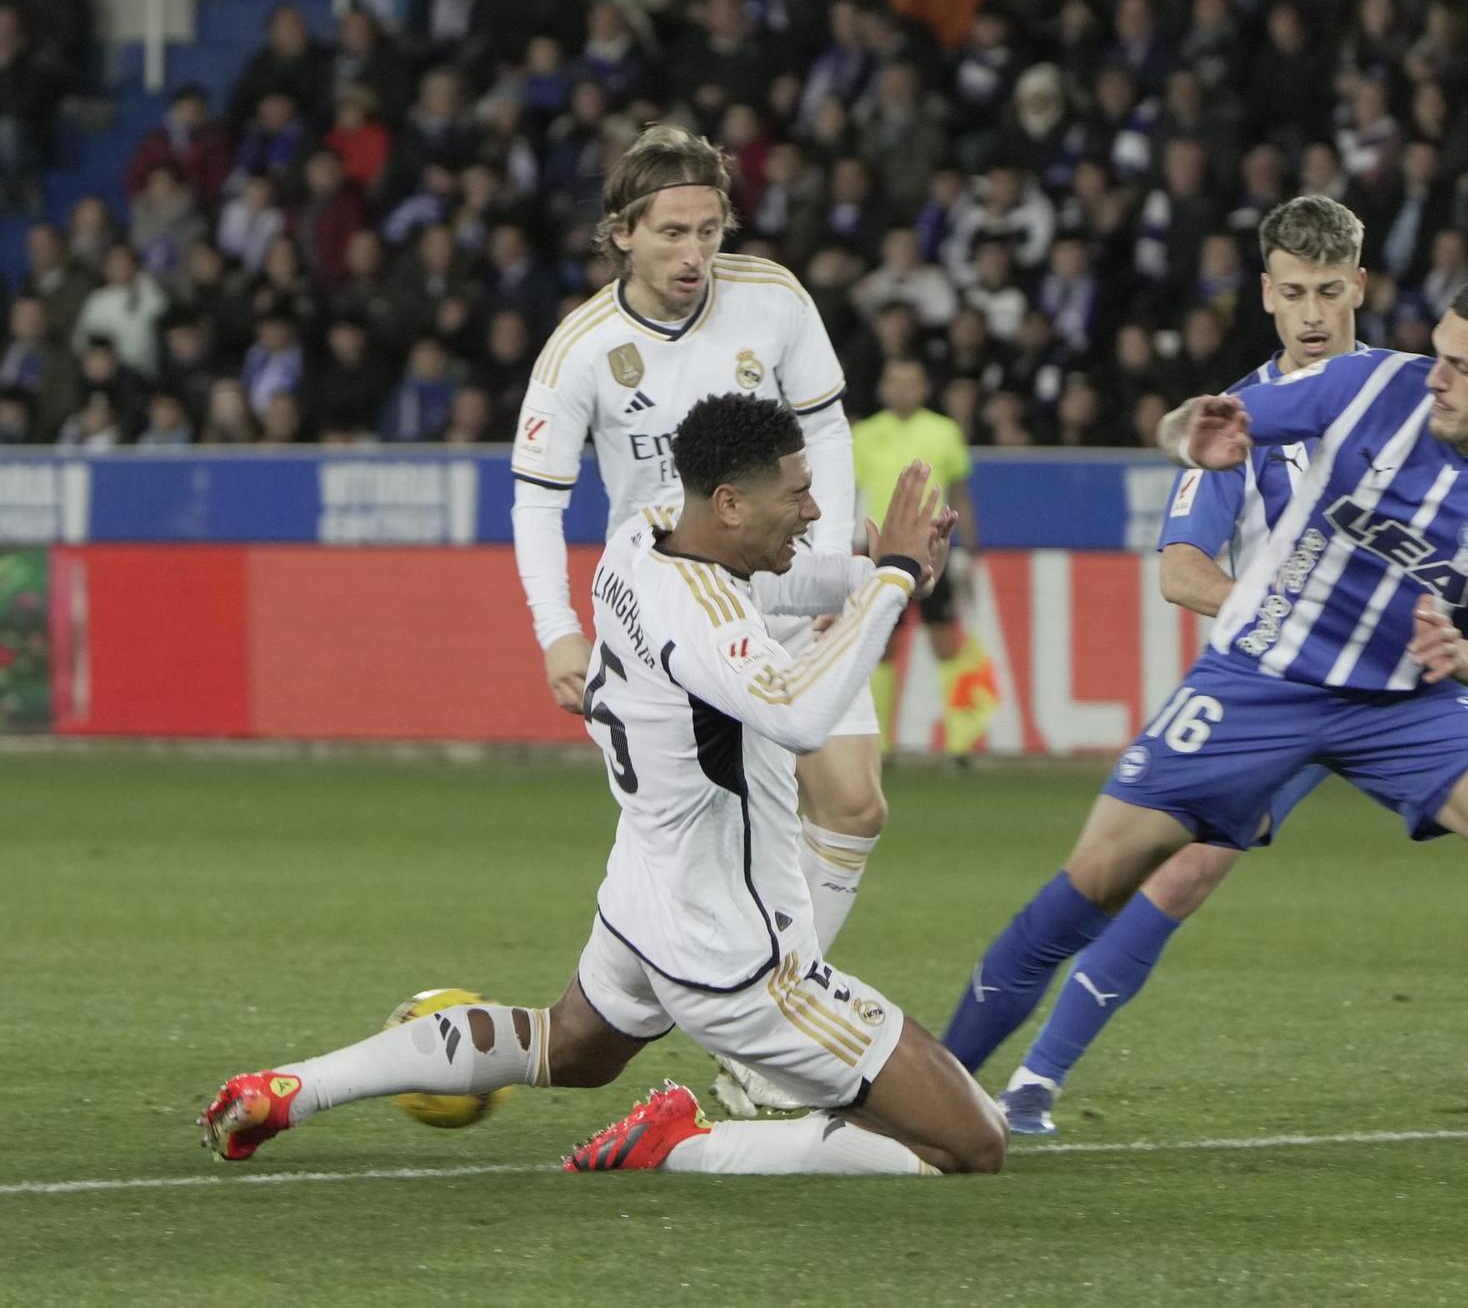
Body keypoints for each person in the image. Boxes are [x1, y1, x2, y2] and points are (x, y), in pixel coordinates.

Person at [940, 269, 1468, 1187]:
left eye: (1464, 368)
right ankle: (937, 1087)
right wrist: (1186, 433)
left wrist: (1465, 657)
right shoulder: (1367, 386)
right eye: (1439, 355)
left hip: (1407, 698)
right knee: (1097, 878)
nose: (1437, 377)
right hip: (1263, 675)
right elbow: (1206, 422)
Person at [201, 395, 1006, 1178]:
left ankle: (293, 1088)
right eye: (796, 494)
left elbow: (774, 582)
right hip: (737, 956)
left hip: (643, 896)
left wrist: (867, 567)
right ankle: (684, 1143)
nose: (811, 508)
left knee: (566, 1046)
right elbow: (797, 713)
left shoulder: (641, 537)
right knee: (973, 1139)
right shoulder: (702, 615)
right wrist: (892, 575)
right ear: (729, 503)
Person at [507, 125, 889, 1117]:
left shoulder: (775, 299)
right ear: (621, 234)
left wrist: (832, 557)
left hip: (786, 585)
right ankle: (735, 1011)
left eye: (709, 230)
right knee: (711, 848)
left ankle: (771, 1030)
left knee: (851, 803)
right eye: (671, 232)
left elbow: (826, 425)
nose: (693, 255)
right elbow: (536, 499)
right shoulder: (582, 350)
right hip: (676, 623)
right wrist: (556, 627)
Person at [851, 358, 996, 758]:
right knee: (880, 646)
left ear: (923, 388)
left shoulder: (944, 431)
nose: (902, 390)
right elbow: (850, 495)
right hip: (878, 550)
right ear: (883, 389)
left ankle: (960, 744)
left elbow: (961, 492)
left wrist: (971, 548)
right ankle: (879, 745)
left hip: (933, 549)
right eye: (895, 383)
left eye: (910, 382)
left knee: (948, 643)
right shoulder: (863, 434)